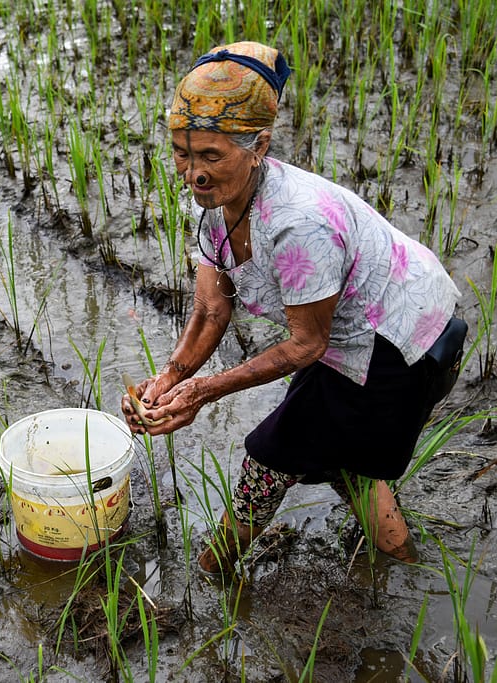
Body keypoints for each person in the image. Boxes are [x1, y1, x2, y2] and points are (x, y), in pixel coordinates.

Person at [120, 41, 464, 574]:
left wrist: (205, 391)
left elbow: (307, 343)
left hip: (399, 339)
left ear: (258, 145)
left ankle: (214, 572)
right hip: (355, 338)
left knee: (270, 454)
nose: (194, 174)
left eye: (211, 156)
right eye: (183, 154)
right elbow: (213, 308)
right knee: (349, 463)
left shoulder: (297, 223)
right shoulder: (219, 207)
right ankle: (403, 570)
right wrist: (169, 379)